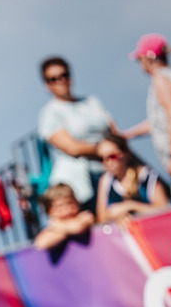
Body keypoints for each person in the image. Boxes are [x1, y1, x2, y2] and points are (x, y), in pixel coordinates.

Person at [37, 57, 117, 209]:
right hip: (81, 185)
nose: (60, 81)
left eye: (64, 75)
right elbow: (71, 148)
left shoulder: (92, 101)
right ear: (47, 85)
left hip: (113, 172)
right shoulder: (50, 113)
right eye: (53, 79)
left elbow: (115, 133)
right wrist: (105, 150)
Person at [124, 34, 171, 183]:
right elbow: (159, 121)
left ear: (147, 58)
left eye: (140, 59)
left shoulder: (161, 79)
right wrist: (128, 135)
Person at [96, 133, 170, 227]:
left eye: (112, 156)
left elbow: (165, 210)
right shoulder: (105, 180)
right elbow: (101, 218)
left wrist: (130, 206)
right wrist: (119, 217)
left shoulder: (146, 176)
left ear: (126, 153)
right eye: (101, 159)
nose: (108, 162)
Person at [33, 183, 95, 252]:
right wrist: (63, 232)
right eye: (60, 206)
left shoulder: (84, 216)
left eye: (70, 203)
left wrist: (56, 225)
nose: (67, 210)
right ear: (51, 211)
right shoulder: (53, 229)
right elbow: (41, 244)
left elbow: (78, 227)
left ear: (77, 202)